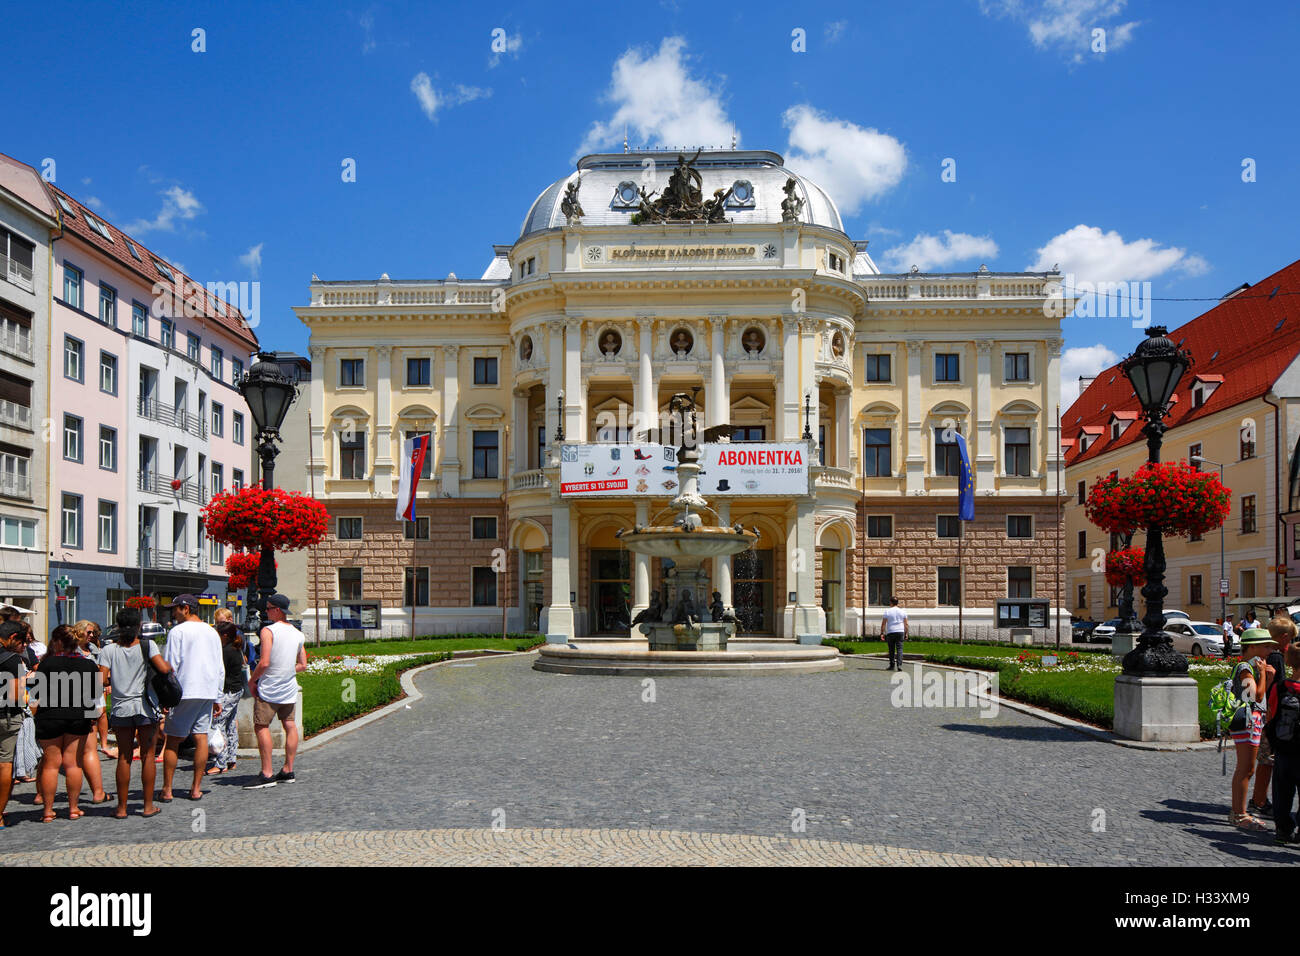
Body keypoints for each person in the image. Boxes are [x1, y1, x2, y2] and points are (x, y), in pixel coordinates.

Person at [98, 609, 170, 819]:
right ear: (139, 626)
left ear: (118, 626)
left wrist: (117, 681)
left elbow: (101, 680)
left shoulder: (109, 650)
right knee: (148, 756)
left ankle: (121, 808)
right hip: (145, 707)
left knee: (124, 756)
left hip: (121, 708)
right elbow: (163, 669)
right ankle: (147, 806)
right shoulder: (148, 646)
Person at [31, 626, 102, 822]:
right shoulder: (88, 665)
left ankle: (47, 811)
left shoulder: (47, 664)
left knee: (51, 765)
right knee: (73, 764)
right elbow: (95, 695)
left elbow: (37, 693)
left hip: (50, 716)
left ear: (58, 642)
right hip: (77, 717)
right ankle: (73, 808)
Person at [160, 595, 224, 802]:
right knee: (201, 737)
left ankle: (167, 789)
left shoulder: (177, 631)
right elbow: (218, 665)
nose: (173, 613)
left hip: (184, 690)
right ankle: (196, 788)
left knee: (172, 740)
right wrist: (218, 696)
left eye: (175, 609)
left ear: (185, 608)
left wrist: (166, 696)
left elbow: (170, 664)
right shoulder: (211, 631)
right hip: (206, 690)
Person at [245, 594, 306, 789]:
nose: (266, 611)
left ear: (277, 610)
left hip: (270, 687)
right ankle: (288, 769)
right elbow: (303, 665)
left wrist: (252, 680)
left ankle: (267, 773)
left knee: (261, 726)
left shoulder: (268, 631)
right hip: (289, 688)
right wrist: (286, 669)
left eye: (269, 608)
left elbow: (264, 662)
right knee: (290, 726)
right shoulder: (298, 633)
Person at [1228, 628, 1277, 831]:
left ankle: (1239, 813)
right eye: (1266, 646)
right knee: (1246, 769)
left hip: (1253, 722)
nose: (1269, 650)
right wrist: (1265, 675)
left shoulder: (1249, 667)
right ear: (1253, 647)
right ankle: (1239, 814)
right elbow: (1254, 696)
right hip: (1247, 723)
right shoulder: (1245, 668)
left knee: (1247, 768)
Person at [1253, 616, 1298, 816]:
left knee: (1265, 760)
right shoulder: (1277, 657)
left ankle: (1259, 798)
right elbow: (1280, 690)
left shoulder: (1263, 653)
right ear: (1285, 637)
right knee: (1268, 761)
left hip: (1262, 713)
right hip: (1272, 718)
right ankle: (1260, 800)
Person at [67, 625, 111, 806]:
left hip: (54, 713)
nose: (91, 636)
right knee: (86, 752)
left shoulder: (47, 661)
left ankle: (45, 803)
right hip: (82, 709)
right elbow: (96, 688)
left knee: (52, 760)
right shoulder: (86, 663)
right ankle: (93, 795)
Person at [1265, 641, 1300, 844]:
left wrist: (1274, 741)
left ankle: (1282, 829)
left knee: (1282, 791)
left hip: (1284, 747)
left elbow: (1271, 715)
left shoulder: (1281, 687)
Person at [207, 622, 244, 775]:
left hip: (227, 691)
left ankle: (220, 763)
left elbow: (219, 672)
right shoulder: (236, 648)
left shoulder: (225, 651)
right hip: (236, 689)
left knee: (218, 724)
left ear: (225, 636)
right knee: (230, 725)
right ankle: (231, 759)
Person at [0, 621, 27, 828]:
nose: (23, 646)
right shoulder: (12, 660)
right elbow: (15, 696)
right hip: (6, 717)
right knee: (4, 763)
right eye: (21, 641)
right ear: (12, 638)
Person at [13, 621, 39, 784]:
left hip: (27, 699)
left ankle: (20, 771)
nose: (25, 643)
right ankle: (15, 772)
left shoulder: (25, 653)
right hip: (17, 702)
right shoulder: (10, 658)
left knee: (24, 738)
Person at [880, 595, 909, 672]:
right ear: (897, 603)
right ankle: (899, 665)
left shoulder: (887, 611)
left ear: (891, 603)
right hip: (900, 631)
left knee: (891, 649)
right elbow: (906, 624)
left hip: (891, 631)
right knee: (900, 649)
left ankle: (892, 665)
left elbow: (883, 623)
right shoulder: (903, 611)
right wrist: (906, 633)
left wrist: (882, 633)